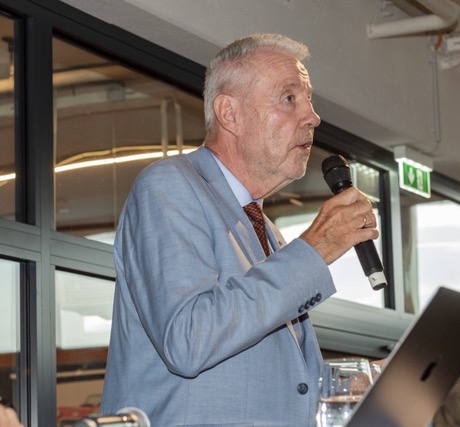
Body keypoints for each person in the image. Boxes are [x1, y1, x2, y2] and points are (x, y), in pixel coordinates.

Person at [100, 33, 379, 426]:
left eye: (309, 100)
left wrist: (352, 385)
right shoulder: (168, 186)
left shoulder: (266, 230)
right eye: (289, 98)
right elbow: (188, 339)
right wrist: (315, 249)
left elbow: (274, 380)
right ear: (229, 113)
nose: (313, 117)